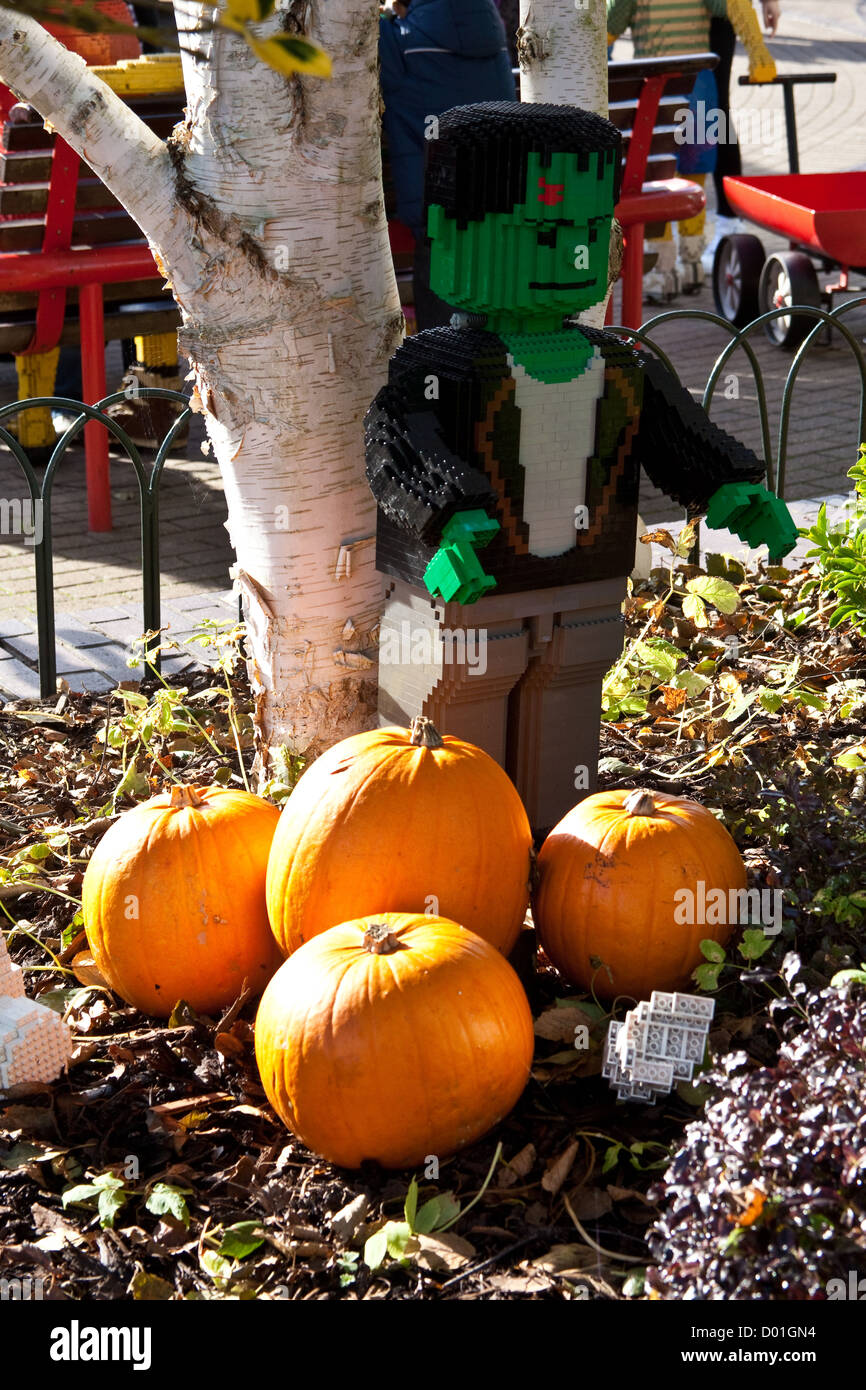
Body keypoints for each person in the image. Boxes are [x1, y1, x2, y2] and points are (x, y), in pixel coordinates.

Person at [365, 102, 797, 830]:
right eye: (544, 233)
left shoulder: (621, 362)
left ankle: (554, 836)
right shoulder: (435, 364)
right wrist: (444, 521)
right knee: (457, 691)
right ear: (454, 238)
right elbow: (396, 442)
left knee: (569, 685)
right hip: (470, 582)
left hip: (579, 579)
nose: (573, 256)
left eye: (591, 233)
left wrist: (728, 485)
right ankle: (455, 842)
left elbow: (674, 434)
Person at [606, 0, 775, 299]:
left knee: (657, 175)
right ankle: (693, 262)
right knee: (694, 174)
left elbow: (609, 26)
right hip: (701, 84)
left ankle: (663, 270)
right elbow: (732, 7)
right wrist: (758, 52)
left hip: (657, 86)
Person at [379, 0, 516, 329]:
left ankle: (438, 365)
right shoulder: (490, 29)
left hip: (436, 212)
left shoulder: (399, 39)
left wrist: (384, 18)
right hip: (498, 198)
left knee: (443, 343)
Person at [704, 0, 781, 269]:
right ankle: (674, 236)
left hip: (718, 15)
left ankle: (729, 220)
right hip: (664, 15)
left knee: (713, 113)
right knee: (674, 112)